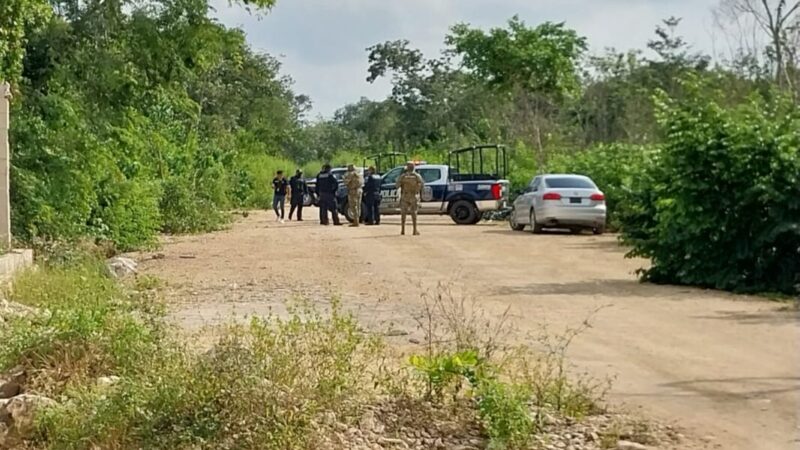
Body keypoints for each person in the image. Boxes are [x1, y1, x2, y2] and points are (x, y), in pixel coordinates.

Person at [396, 163, 424, 236]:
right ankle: (414, 230)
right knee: (414, 213)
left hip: (405, 196)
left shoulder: (403, 176)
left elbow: (397, 185)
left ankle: (403, 230)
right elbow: (422, 185)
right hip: (414, 196)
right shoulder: (417, 176)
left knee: (403, 213)